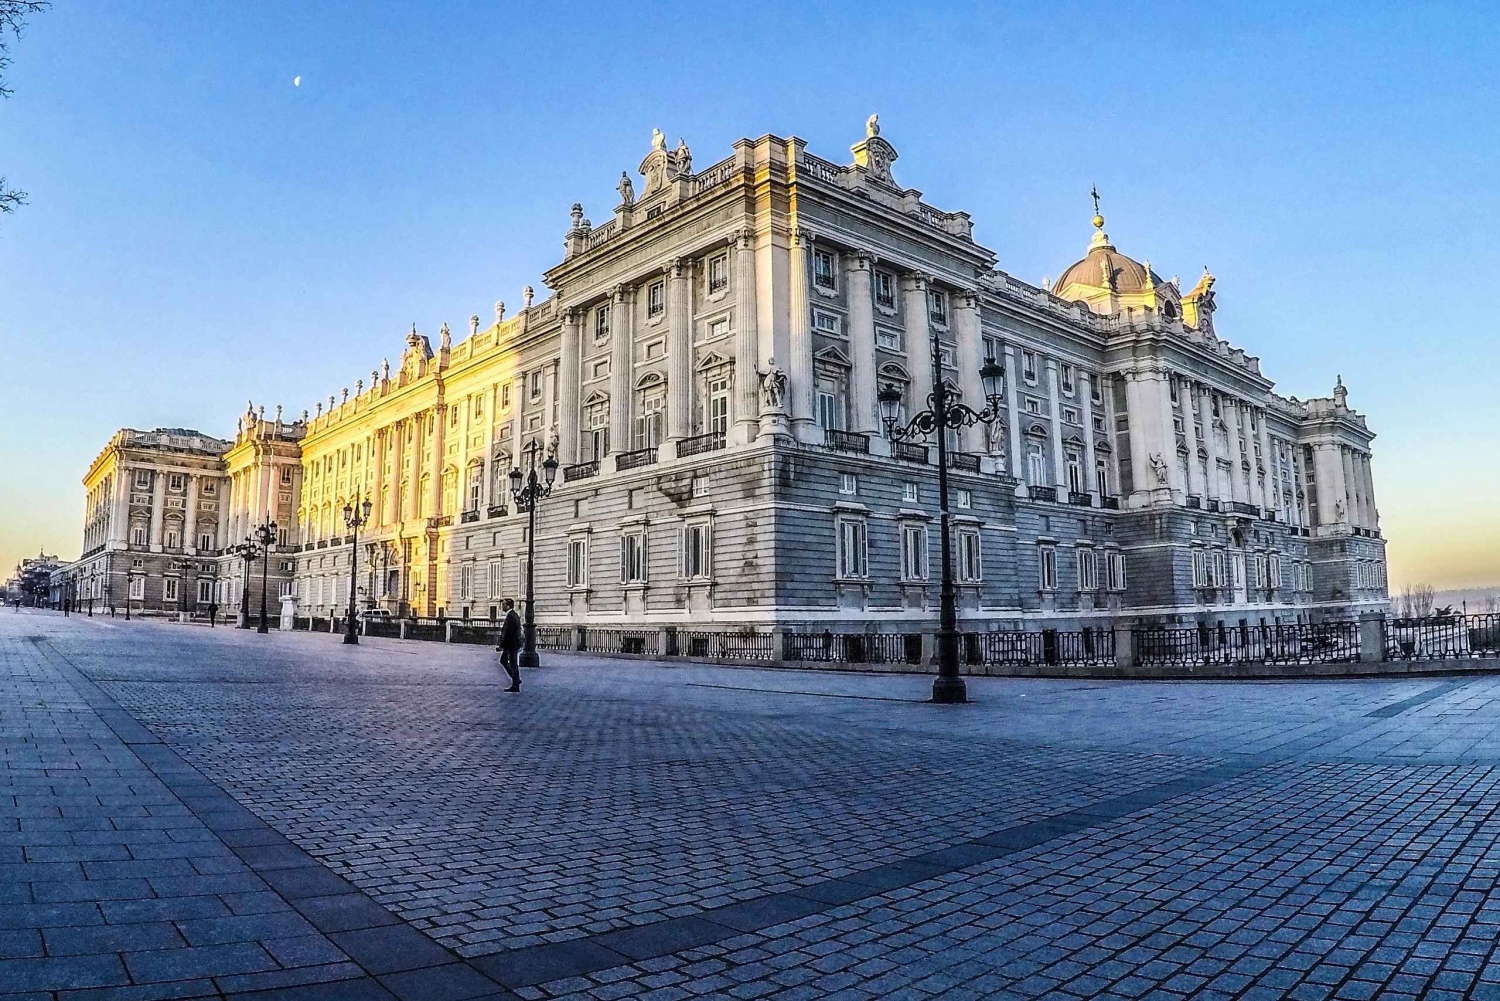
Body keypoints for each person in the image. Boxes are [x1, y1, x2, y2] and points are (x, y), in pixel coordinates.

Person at [497, 599, 522, 692]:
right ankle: (516, 680)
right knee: (505, 661)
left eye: (503, 605)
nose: (502, 606)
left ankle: (516, 682)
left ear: (508, 606)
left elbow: (508, 633)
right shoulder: (512, 615)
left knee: (512, 663)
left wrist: (502, 645)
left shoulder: (511, 616)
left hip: (511, 644)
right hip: (512, 643)